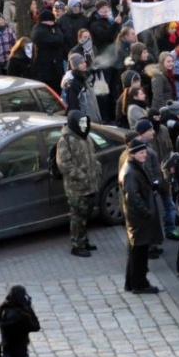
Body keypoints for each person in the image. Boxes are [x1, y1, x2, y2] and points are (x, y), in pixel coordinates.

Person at [120, 139, 164, 294]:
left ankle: (131, 282)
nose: (145, 155)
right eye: (141, 152)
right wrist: (146, 212)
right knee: (139, 252)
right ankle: (140, 284)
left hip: (138, 217)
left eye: (145, 152)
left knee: (136, 251)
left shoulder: (134, 167)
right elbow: (132, 196)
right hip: (139, 218)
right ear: (132, 154)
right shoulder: (130, 171)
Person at [56, 110, 102, 257]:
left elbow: (92, 156)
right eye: (81, 123)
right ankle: (77, 245)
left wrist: (97, 170)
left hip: (90, 185)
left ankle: (84, 241)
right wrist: (82, 176)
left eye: (85, 122)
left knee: (85, 216)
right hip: (76, 188)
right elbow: (64, 164)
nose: (84, 125)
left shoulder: (85, 136)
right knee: (77, 217)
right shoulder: (66, 139)